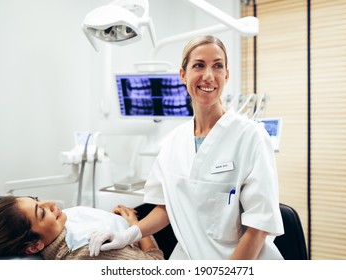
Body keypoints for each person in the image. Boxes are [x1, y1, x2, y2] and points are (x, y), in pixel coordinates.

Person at [88, 34, 284, 260]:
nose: (208, 76)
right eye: (199, 65)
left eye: (218, 66)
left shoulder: (251, 137)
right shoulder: (173, 142)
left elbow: (259, 226)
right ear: (183, 74)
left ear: (226, 75)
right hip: (189, 257)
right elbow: (165, 208)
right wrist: (129, 234)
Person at [0, 196, 163, 260]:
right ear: (35, 246)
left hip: (127, 226)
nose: (51, 203)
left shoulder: (59, 228)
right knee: (173, 204)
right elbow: (156, 266)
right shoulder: (87, 252)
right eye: (42, 212)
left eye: (37, 201)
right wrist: (134, 228)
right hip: (151, 244)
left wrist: (110, 219)